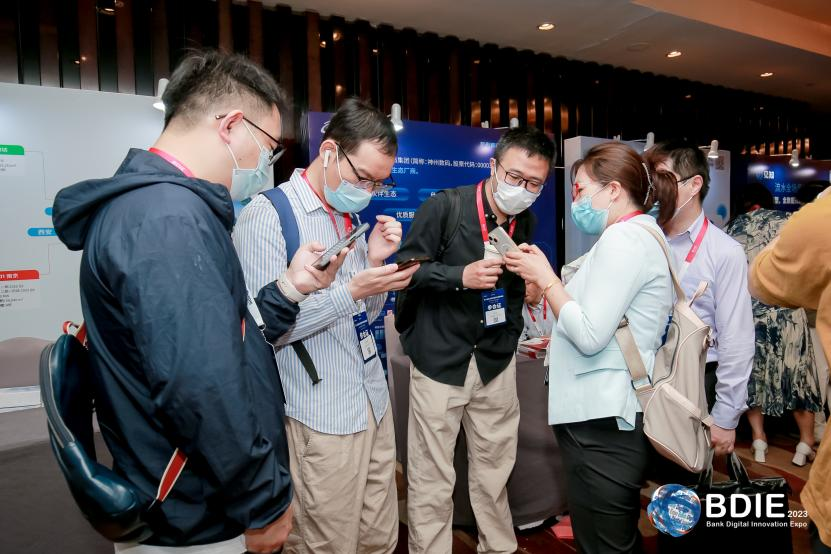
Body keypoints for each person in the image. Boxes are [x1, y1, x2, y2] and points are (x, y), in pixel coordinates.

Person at [52, 50, 348, 554]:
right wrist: (263, 501)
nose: (267, 164)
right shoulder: (168, 219)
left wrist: (292, 287)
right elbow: (200, 384)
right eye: (268, 147)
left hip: (188, 494)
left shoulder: (158, 208)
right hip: (193, 508)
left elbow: (225, 336)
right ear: (231, 125)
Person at [233, 97, 418, 554]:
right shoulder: (268, 216)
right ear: (330, 151)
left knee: (378, 539)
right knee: (325, 543)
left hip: (371, 403)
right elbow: (265, 332)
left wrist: (374, 269)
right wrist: (349, 291)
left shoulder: (347, 216)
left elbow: (363, 319)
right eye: (363, 178)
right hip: (321, 416)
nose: (369, 191)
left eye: (379, 183)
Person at [505, 141, 677, 554]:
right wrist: (545, 289)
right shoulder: (636, 235)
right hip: (606, 413)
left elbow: (589, 334)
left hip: (604, 420)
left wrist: (547, 279)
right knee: (604, 538)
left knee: (605, 542)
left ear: (613, 190)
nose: (575, 199)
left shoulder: (625, 240)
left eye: (580, 189)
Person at [395, 126, 554, 554]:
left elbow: (514, 289)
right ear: (494, 166)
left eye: (535, 183)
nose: (523, 189)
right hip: (440, 360)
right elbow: (406, 272)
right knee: (431, 476)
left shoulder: (525, 219)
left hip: (494, 361)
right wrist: (459, 276)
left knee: (495, 470)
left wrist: (512, 330)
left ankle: (498, 547)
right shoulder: (444, 206)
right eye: (515, 177)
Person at [646, 140, 754, 457]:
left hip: (693, 377)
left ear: (694, 184)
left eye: (663, 179)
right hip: (641, 372)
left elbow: (736, 338)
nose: (654, 190)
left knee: (682, 475)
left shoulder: (725, 252)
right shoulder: (642, 237)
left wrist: (726, 416)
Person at [749, 185, 831, 554]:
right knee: (803, 383)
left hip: (762, 320)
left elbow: (760, 280)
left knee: (759, 384)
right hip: (795, 327)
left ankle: (759, 439)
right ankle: (804, 443)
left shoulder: (817, 218)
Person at [726, 183, 821, 466]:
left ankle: (759, 438)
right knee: (799, 378)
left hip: (751, 315)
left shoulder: (731, 228)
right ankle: (804, 444)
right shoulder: (790, 223)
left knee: (754, 379)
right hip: (789, 313)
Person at [796, 181, 831, 443]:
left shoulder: (807, 232)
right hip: (815, 316)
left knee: (817, 377)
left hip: (814, 318)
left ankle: (819, 431)